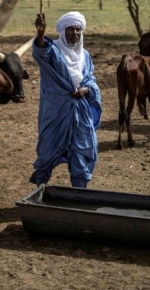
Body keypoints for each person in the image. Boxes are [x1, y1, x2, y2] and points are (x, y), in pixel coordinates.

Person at [29, 11, 102, 188]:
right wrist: (40, 34)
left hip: (80, 113)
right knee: (47, 152)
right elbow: (41, 52)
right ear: (63, 31)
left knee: (82, 151)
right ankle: (40, 191)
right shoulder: (53, 51)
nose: (74, 33)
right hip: (56, 111)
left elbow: (91, 79)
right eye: (70, 29)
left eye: (78, 30)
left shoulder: (85, 56)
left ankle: (79, 194)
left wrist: (86, 89)